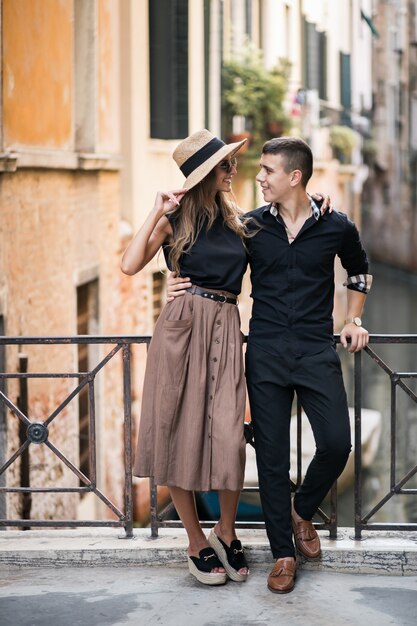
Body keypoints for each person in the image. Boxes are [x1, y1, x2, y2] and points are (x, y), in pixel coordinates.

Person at [167, 136, 372, 594]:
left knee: (338, 443)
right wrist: (175, 282)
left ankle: (301, 512)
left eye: (266, 171)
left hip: (318, 351)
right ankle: (283, 553)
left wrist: (354, 317)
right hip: (265, 354)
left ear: (294, 177)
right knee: (273, 460)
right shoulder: (249, 226)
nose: (257, 177)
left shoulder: (338, 225)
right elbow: (201, 250)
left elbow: (359, 271)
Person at [121, 129, 251, 586]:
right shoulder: (174, 220)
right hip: (181, 327)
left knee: (229, 433)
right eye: (224, 166)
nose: (232, 171)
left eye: (230, 164)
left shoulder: (239, 220)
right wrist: (156, 209)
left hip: (225, 326)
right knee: (177, 430)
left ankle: (226, 530)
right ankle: (194, 541)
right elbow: (129, 263)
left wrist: (315, 202)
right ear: (204, 176)